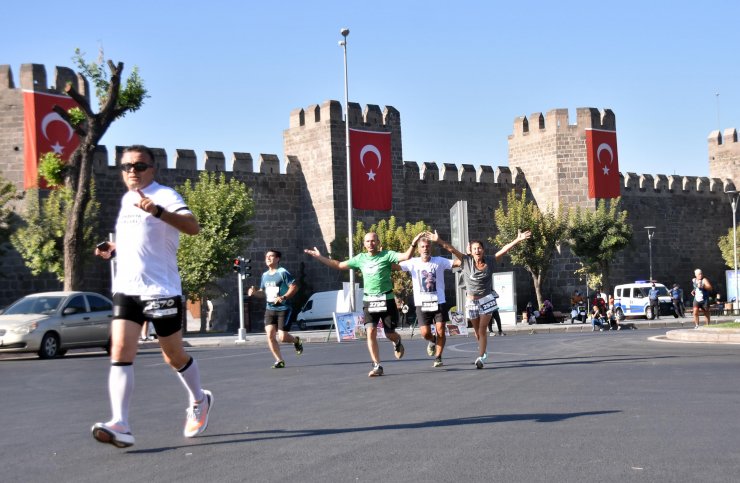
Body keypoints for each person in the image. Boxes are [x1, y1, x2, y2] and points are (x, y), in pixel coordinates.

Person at [92, 145, 211, 448]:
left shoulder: (165, 195)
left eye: (139, 166)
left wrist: (157, 210)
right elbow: (139, 240)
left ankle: (199, 398)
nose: (132, 171)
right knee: (119, 350)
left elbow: (193, 227)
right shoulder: (126, 199)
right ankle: (120, 423)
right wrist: (114, 247)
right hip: (127, 288)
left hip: (161, 290)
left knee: (172, 356)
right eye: (126, 166)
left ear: (152, 169)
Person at [304, 231, 421, 377]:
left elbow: (406, 256)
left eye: (373, 241)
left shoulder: (386, 255)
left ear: (378, 242)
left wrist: (413, 243)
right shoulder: (360, 258)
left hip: (386, 299)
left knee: (389, 333)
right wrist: (320, 257)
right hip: (369, 301)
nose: (370, 244)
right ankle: (377, 365)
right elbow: (339, 265)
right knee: (370, 332)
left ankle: (397, 341)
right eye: (367, 241)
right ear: (364, 244)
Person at [435, 230, 531, 369]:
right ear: (471, 251)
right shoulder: (466, 261)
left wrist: (518, 239)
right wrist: (439, 240)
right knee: (476, 331)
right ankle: (483, 350)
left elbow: (504, 250)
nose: (477, 250)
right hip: (471, 302)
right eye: (474, 249)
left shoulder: (490, 261)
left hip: (487, 299)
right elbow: (451, 249)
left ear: (483, 250)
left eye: (479, 248)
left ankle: (481, 357)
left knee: (482, 329)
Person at [399, 232, 454, 367]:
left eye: (428, 246)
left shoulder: (440, 261)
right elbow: (394, 266)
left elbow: (458, 262)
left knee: (441, 328)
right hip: (421, 304)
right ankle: (433, 340)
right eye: (422, 247)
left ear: (431, 248)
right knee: (425, 333)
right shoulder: (412, 262)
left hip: (439, 301)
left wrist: (441, 241)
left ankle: (438, 357)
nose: (425, 249)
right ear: (418, 249)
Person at [248, 249, 303, 368]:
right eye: (266, 256)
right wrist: (254, 292)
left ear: (277, 259)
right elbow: (263, 293)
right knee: (270, 335)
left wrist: (284, 297)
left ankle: (296, 341)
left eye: (271, 256)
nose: (268, 258)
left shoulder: (282, 272)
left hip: (283, 308)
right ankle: (279, 360)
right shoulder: (264, 275)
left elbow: (294, 287)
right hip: (270, 309)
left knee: (283, 337)